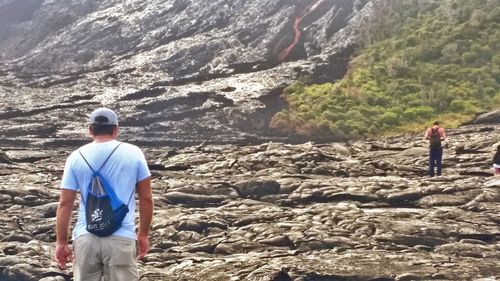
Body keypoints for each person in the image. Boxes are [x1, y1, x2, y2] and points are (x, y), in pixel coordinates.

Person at [54, 107, 153, 281]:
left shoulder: (75, 157)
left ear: (90, 130)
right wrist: (143, 235)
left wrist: (62, 242)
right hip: (121, 237)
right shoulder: (134, 153)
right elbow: (146, 198)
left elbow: (65, 203)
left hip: (86, 237)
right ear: (115, 130)